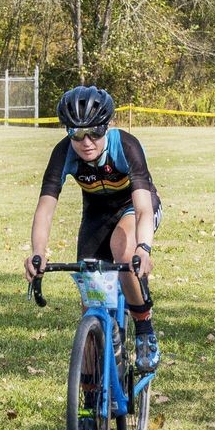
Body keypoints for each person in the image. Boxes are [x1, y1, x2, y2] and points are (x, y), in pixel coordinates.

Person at [24, 86, 163, 371]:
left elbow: (144, 209)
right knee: (90, 305)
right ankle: (89, 402)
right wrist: (38, 252)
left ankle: (144, 327)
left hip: (133, 208)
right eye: (76, 133)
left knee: (123, 252)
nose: (86, 141)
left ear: (107, 127)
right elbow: (45, 208)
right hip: (97, 216)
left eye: (95, 132)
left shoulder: (125, 146)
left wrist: (143, 248)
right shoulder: (63, 153)